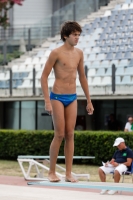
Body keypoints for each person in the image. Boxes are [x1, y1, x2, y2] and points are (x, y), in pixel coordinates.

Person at [41, 21, 94, 182]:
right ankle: (51, 172)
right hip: (57, 96)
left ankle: (68, 173)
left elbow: (82, 77)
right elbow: (43, 77)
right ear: (66, 36)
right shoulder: (56, 53)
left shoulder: (79, 53)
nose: (77, 38)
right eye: (74, 35)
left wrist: (89, 100)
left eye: (79, 35)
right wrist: (47, 101)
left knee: (70, 134)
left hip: (72, 97)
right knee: (59, 134)